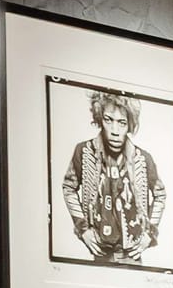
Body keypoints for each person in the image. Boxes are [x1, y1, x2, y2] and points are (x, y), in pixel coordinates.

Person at [60, 90, 167, 265]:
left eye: (122, 123)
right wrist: (83, 229)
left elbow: (160, 194)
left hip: (132, 254)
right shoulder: (84, 151)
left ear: (130, 125)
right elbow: (69, 187)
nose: (115, 131)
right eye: (108, 120)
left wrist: (150, 233)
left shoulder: (143, 158)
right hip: (100, 250)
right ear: (100, 118)